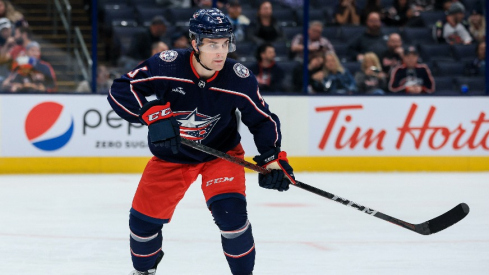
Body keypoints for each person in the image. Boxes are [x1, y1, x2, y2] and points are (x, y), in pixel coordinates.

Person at [108, 8, 295, 275]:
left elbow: (263, 119)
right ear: (194, 43)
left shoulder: (238, 78)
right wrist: (152, 115)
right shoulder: (166, 65)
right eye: (211, 45)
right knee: (142, 224)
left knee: (232, 218)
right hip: (171, 156)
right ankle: (144, 272)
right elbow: (122, 88)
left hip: (221, 154)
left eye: (225, 44)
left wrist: (273, 159)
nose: (220, 52)